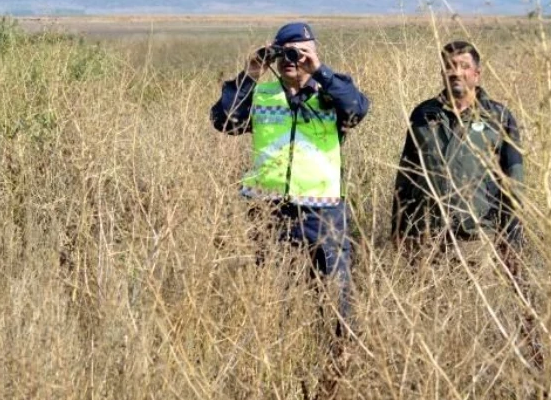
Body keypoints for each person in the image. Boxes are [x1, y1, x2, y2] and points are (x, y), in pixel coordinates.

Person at [211, 22, 370, 331]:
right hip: (268, 210)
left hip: (322, 211)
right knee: (271, 293)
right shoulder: (262, 94)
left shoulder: (331, 91)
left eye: (300, 53)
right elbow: (225, 120)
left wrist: (319, 69)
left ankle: (339, 357)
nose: (291, 60)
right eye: (284, 54)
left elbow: (357, 109)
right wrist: (251, 73)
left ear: (315, 54)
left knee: (336, 294)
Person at [392, 40, 525, 254]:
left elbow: (514, 181)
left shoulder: (498, 117)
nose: (456, 72)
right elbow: (406, 176)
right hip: (426, 238)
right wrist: (398, 228)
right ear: (442, 73)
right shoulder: (423, 115)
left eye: (464, 66)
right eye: (450, 66)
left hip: (477, 239)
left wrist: (512, 235)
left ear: (477, 73)